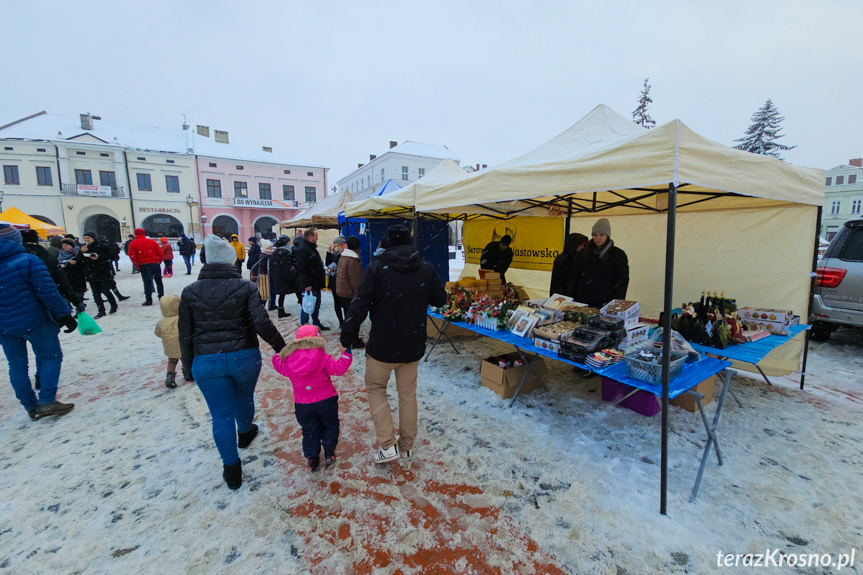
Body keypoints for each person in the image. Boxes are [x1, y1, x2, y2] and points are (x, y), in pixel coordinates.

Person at [178, 234, 286, 490]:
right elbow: (261, 322)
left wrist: (187, 367)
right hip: (244, 356)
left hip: (206, 361)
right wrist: (282, 348)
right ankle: (246, 432)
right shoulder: (245, 287)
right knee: (244, 397)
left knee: (221, 415)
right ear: (230, 260)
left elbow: (185, 332)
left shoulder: (190, 291)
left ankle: (231, 468)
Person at [340, 225, 447, 463]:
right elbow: (441, 299)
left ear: (386, 243)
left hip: (382, 346)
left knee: (376, 389)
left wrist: (347, 337)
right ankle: (407, 446)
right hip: (412, 345)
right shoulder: (426, 268)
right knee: (407, 395)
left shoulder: (377, 268)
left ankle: (388, 445)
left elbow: (359, 305)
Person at [0, 224, 77, 420]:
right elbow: (47, 292)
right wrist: (64, 314)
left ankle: (30, 406)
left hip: (5, 326)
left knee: (16, 366)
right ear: (16, 241)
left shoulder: (28, 261)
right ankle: (47, 401)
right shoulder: (28, 261)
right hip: (35, 320)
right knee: (51, 356)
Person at [272, 324, 352, 471]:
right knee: (330, 424)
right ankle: (329, 451)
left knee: (309, 430)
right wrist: (347, 354)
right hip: (327, 400)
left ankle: (313, 459)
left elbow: (278, 365)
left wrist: (277, 354)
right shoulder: (323, 357)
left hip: (303, 404)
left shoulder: (289, 360)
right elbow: (338, 369)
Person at [567, 218, 629, 309]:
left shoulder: (618, 255)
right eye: (595, 235)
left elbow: (621, 282)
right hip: (581, 302)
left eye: (601, 235)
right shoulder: (583, 253)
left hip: (605, 303)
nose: (598, 238)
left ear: (607, 235)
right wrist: (570, 298)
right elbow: (574, 277)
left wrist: (616, 305)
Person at [21, 230, 85, 313]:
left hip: (18, 305)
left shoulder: (12, 256)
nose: (64, 247)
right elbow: (60, 281)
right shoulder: (42, 254)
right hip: (38, 300)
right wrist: (76, 302)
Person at [294, 228, 328, 330]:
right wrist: (306, 284)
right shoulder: (303, 249)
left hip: (315, 282)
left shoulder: (311, 247)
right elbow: (301, 268)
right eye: (316, 236)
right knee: (308, 305)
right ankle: (304, 326)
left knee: (315, 305)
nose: (317, 238)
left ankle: (316, 322)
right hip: (310, 283)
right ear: (310, 237)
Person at [79, 231, 118, 319]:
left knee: (105, 290)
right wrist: (82, 252)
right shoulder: (85, 247)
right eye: (85, 238)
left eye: (88, 238)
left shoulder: (101, 246)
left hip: (102, 272)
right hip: (91, 273)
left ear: (93, 238)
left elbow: (110, 257)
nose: (86, 240)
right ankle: (101, 310)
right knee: (96, 294)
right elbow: (81, 259)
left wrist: (98, 257)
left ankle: (113, 305)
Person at [334, 235, 364, 348]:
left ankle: (348, 338)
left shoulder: (344, 256)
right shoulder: (353, 259)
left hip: (342, 291)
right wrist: (360, 295)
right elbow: (356, 280)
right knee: (353, 318)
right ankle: (352, 340)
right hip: (349, 293)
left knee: (348, 317)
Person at [154, 295, 189, 389]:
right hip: (183, 345)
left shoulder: (161, 323)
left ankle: (170, 377)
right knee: (185, 359)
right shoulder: (182, 319)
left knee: (172, 361)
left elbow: (158, 334)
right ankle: (187, 374)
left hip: (170, 348)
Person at [127, 228, 164, 306]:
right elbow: (160, 252)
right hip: (155, 263)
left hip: (144, 264)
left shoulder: (133, 243)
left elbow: (132, 256)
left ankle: (149, 299)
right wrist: (158, 261)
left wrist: (137, 265)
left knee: (147, 282)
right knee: (158, 281)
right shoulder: (151, 241)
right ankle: (161, 297)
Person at [269, 236, 299, 319]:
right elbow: (287, 266)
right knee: (297, 289)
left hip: (278, 276)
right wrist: (291, 275)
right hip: (285, 276)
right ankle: (305, 307)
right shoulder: (286, 252)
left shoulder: (275, 252)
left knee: (282, 294)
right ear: (286, 243)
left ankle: (280, 310)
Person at [58, 239, 88, 303]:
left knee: (79, 297)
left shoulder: (78, 252)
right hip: (67, 277)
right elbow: (60, 264)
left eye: (66, 245)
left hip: (78, 277)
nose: (64, 247)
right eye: (63, 245)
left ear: (72, 245)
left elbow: (83, 263)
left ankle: (80, 311)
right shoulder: (61, 253)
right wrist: (67, 264)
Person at [326, 236, 345, 323]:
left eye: (335, 243)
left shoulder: (344, 254)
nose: (333, 245)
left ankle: (346, 320)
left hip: (342, 281)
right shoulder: (333, 253)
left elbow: (338, 266)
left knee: (344, 302)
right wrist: (328, 252)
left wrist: (333, 266)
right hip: (334, 280)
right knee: (336, 302)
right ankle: (341, 321)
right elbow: (328, 264)